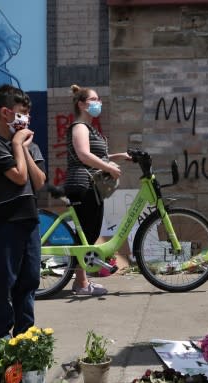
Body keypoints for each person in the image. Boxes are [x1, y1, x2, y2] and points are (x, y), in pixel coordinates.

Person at [0, 85, 46, 339]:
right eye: (21, 112)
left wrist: (24, 148)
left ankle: (24, 335)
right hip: (5, 221)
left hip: (29, 220)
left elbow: (39, 181)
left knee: (29, 279)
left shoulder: (31, 146)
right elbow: (19, 178)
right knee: (3, 281)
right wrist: (18, 145)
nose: (26, 118)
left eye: (28, 113)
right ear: (5, 113)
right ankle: (0, 336)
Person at [64, 84, 130, 296]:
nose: (98, 103)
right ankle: (81, 284)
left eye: (98, 99)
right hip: (82, 184)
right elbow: (83, 155)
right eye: (93, 100)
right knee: (86, 234)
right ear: (82, 104)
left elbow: (95, 156)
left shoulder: (90, 128)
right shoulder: (80, 127)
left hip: (92, 186)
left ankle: (80, 282)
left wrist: (116, 157)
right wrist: (109, 167)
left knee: (89, 234)